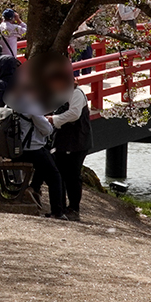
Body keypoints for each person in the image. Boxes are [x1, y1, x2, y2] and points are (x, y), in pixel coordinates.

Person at [3, 68, 66, 219]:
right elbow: (46, 129)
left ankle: (32, 189)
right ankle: (57, 211)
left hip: (14, 151)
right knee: (55, 176)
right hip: (31, 150)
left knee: (47, 163)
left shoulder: (10, 101)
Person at [46, 72, 90, 221]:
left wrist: (54, 119)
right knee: (60, 173)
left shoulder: (76, 93)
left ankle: (74, 208)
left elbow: (74, 114)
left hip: (77, 140)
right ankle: (61, 207)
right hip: (63, 140)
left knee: (72, 175)